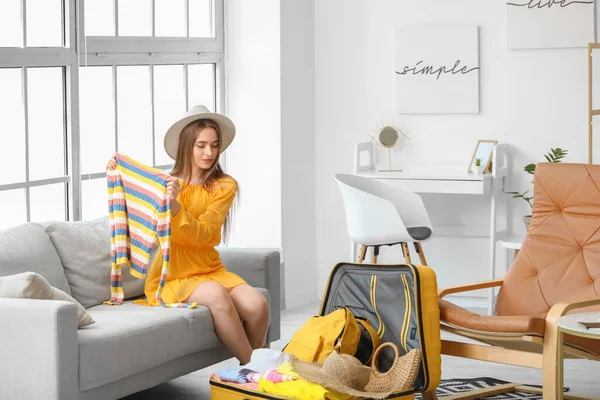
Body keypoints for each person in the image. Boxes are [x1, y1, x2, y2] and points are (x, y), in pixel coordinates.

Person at [106, 105, 269, 365]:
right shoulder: (166, 185)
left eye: (214, 146)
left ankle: (252, 364)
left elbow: (206, 234)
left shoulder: (224, 185)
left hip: (209, 267)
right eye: (201, 145)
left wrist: (177, 208)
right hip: (172, 274)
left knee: (257, 304)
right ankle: (254, 370)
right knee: (216, 294)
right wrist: (120, 171)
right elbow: (136, 208)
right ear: (186, 146)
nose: (209, 153)